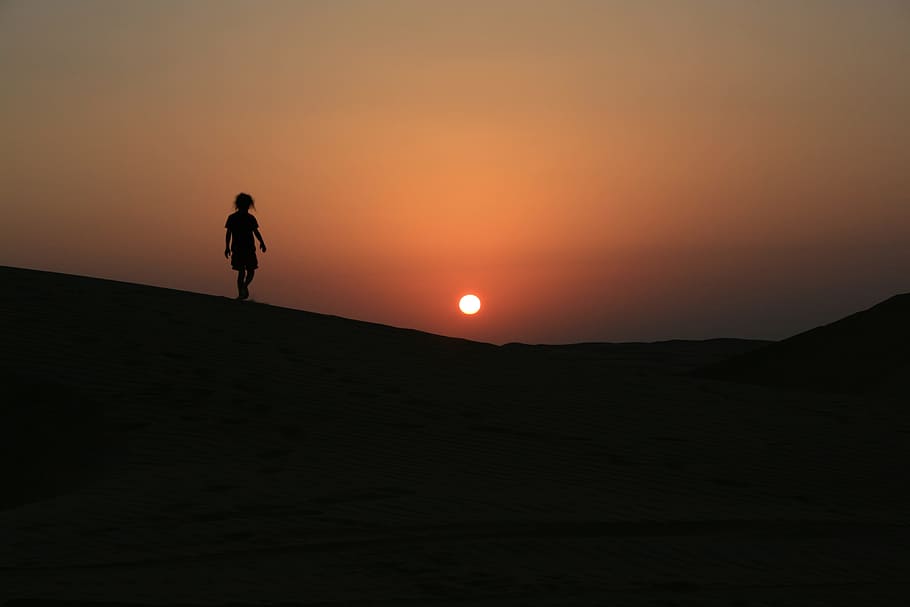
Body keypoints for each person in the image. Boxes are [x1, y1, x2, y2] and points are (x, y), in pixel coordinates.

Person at [224, 193, 267, 300]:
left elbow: (256, 231)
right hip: (239, 248)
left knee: (250, 270)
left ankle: (243, 287)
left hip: (248, 248)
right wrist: (227, 247)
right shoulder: (233, 218)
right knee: (242, 271)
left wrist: (262, 242)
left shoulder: (250, 218)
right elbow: (228, 233)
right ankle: (241, 292)